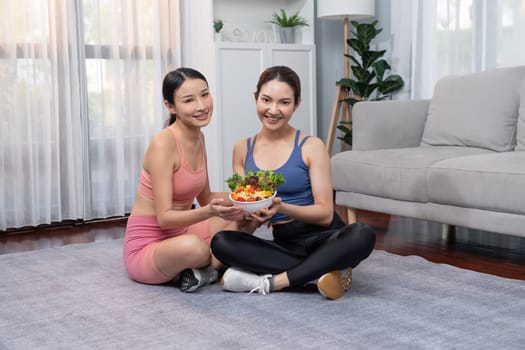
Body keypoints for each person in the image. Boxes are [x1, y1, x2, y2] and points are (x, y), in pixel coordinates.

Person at [211, 65, 376, 300]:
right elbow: (248, 218)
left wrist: (282, 208)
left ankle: (275, 282)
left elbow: (325, 214)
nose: (273, 110)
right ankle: (325, 270)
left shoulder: (311, 146)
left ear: (297, 104)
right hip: (285, 243)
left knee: (362, 234)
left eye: (284, 103)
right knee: (222, 242)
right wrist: (251, 217)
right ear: (255, 97)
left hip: (325, 237)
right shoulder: (241, 150)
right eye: (266, 100)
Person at [123, 67, 248, 292]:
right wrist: (211, 211)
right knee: (196, 249)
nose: (201, 106)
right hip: (149, 245)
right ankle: (211, 265)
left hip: (183, 231)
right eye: (189, 100)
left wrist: (247, 198)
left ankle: (204, 271)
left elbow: (206, 197)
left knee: (247, 216)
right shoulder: (164, 144)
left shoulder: (199, 137)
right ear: (170, 106)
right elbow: (165, 219)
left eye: (205, 94)